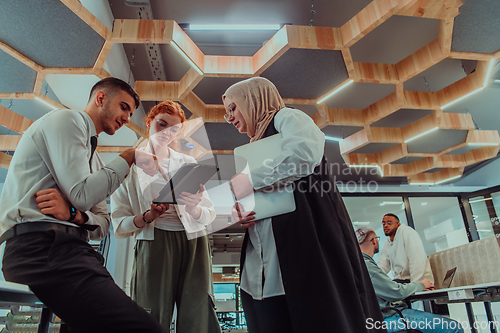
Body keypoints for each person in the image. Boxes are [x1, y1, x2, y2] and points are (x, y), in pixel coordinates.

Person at [0, 77, 167, 333]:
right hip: (40, 247)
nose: (126, 117)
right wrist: (130, 156)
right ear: (101, 98)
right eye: (123, 107)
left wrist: (75, 215)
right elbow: (82, 194)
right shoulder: (67, 120)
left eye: (131, 113)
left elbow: (102, 225)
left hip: (73, 250)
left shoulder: (96, 162)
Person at [222, 77, 386, 333]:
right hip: (269, 257)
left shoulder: (286, 118)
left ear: (253, 99)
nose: (229, 116)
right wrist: (242, 211)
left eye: (233, 107)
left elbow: (305, 154)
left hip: (304, 244)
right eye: (226, 112)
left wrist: (252, 180)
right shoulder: (252, 148)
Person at [110, 100, 220, 332]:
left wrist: (194, 208)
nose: (165, 133)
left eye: (173, 130)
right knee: (150, 310)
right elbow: (119, 222)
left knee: (198, 311)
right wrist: (149, 215)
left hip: (194, 241)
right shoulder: (131, 164)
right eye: (161, 124)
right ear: (149, 122)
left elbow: (209, 214)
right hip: (154, 242)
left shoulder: (188, 163)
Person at [356, 226, 463, 333]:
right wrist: (421, 285)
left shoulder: (358, 265)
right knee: (454, 328)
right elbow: (396, 292)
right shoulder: (367, 266)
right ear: (374, 240)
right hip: (390, 318)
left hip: (378, 319)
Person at [378, 213, 434, 283]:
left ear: (398, 224)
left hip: (420, 281)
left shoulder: (407, 232)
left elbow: (417, 259)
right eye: (383, 223)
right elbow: (381, 267)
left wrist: (416, 285)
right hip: (403, 282)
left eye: (389, 223)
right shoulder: (387, 243)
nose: (385, 225)